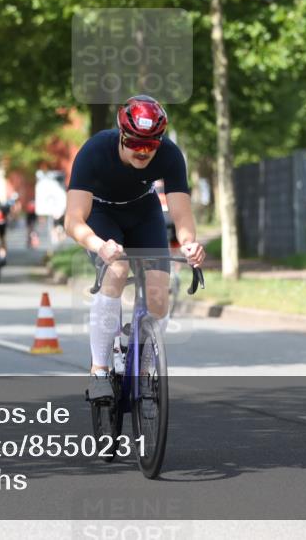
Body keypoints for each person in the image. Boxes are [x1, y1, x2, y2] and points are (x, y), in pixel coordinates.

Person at [63, 95, 206, 401]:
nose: (142, 151)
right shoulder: (95, 152)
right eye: (135, 143)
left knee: (158, 293)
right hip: (101, 213)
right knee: (117, 268)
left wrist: (190, 242)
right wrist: (99, 246)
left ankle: (144, 365)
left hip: (143, 210)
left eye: (150, 145)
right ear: (122, 135)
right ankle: (100, 370)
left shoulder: (170, 155)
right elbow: (73, 219)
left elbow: (181, 213)